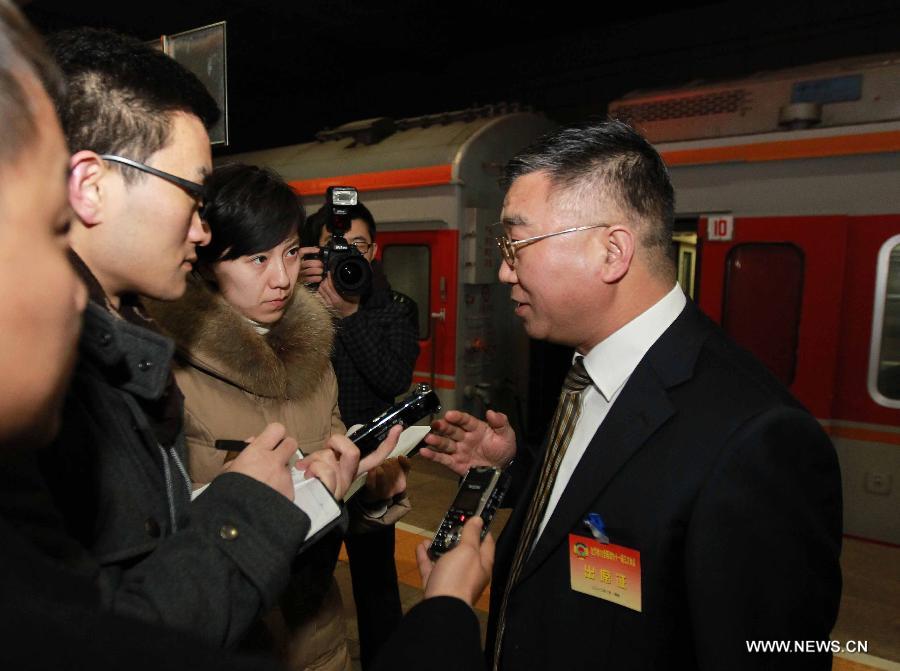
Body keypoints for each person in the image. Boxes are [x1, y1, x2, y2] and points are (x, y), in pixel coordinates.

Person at [414, 120, 843, 670]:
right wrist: (514, 468)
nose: (502, 271)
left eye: (516, 244)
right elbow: (608, 492)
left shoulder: (760, 439)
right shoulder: (591, 374)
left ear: (611, 251)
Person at [8, 26, 368, 649]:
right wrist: (244, 506)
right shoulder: (50, 375)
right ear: (91, 185)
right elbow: (106, 639)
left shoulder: (119, 347)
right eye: (193, 196)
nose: (202, 231)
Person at [148, 163, 410, 671]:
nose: (283, 278)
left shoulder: (315, 355)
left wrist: (367, 487)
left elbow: (332, 490)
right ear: (205, 263)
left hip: (319, 636)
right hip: (225, 642)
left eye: (291, 252)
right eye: (257, 258)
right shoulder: (166, 372)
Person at [301, 200, 420, 668]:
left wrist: (348, 316)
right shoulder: (294, 307)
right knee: (306, 585)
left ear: (374, 250)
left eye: (359, 245)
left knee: (377, 587)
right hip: (315, 465)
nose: (349, 254)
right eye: (335, 247)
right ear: (312, 253)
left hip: (372, 468)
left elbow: (391, 379)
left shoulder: (393, 307)